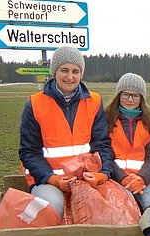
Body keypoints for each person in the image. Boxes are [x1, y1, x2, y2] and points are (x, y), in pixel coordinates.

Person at [19, 46, 114, 219]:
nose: (70, 77)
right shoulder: (34, 104)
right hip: (48, 180)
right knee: (54, 206)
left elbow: (103, 144)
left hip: (85, 178)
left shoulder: (94, 101)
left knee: (109, 206)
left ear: (81, 74)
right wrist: (51, 178)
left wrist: (103, 174)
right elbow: (28, 152)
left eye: (75, 71)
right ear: (55, 72)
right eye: (64, 70)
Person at [104, 73, 150, 212]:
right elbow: (105, 155)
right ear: (119, 96)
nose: (130, 99)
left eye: (135, 95)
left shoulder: (149, 124)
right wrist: (123, 179)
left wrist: (141, 179)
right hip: (116, 179)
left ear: (141, 98)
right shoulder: (106, 121)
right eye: (125, 94)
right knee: (125, 209)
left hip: (144, 181)